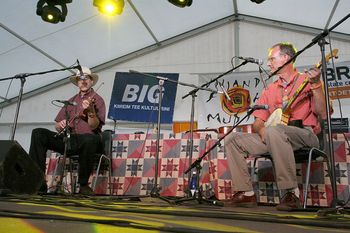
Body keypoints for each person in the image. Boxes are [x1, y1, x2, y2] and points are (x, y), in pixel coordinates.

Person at [224, 42, 327, 211]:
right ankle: (246, 193)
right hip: (273, 136)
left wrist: (316, 85)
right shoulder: (270, 89)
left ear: (286, 58)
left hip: (305, 135)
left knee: (274, 131)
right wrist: (262, 130)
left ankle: (290, 193)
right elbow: (258, 122)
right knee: (232, 139)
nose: (269, 63)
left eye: (272, 59)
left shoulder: (306, 80)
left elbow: (323, 113)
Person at [29, 66, 106, 195]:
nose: (83, 81)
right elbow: (57, 125)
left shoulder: (97, 99)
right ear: (77, 82)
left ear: (91, 81)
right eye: (80, 79)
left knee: (90, 138)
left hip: (88, 140)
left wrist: (91, 111)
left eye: (86, 78)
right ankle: (37, 183)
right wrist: (61, 124)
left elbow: (94, 126)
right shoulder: (71, 101)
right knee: (38, 133)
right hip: (70, 140)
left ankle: (83, 185)